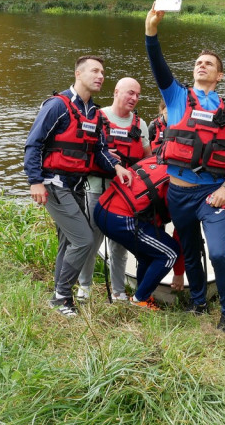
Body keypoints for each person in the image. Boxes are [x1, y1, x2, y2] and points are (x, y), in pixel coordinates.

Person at [144, 0, 225, 336]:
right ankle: (199, 301)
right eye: (199, 62)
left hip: (211, 194)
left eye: (210, 64)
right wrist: (151, 31)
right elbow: (158, 65)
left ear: (219, 76)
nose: (202, 66)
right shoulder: (176, 97)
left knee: (218, 253)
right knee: (189, 251)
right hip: (178, 194)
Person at [24, 56, 132, 318]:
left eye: (103, 72)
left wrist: (117, 167)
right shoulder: (57, 106)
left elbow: (100, 149)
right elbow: (33, 144)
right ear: (78, 74)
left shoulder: (93, 113)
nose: (101, 76)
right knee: (83, 240)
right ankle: (62, 296)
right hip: (53, 183)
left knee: (67, 242)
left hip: (75, 186)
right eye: (95, 71)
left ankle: (60, 295)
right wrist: (35, 181)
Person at [77, 77, 151, 302]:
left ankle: (118, 292)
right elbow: (83, 149)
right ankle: (84, 287)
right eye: (130, 93)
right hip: (96, 188)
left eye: (137, 95)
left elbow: (148, 159)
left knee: (119, 242)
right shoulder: (98, 117)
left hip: (124, 194)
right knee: (92, 238)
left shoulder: (141, 124)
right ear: (117, 91)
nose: (134, 98)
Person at [92, 156, 180, 310]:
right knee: (170, 253)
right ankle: (140, 299)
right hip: (120, 219)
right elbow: (180, 228)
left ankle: (142, 293)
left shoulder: (157, 161)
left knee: (149, 255)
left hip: (102, 209)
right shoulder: (181, 182)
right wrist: (179, 272)